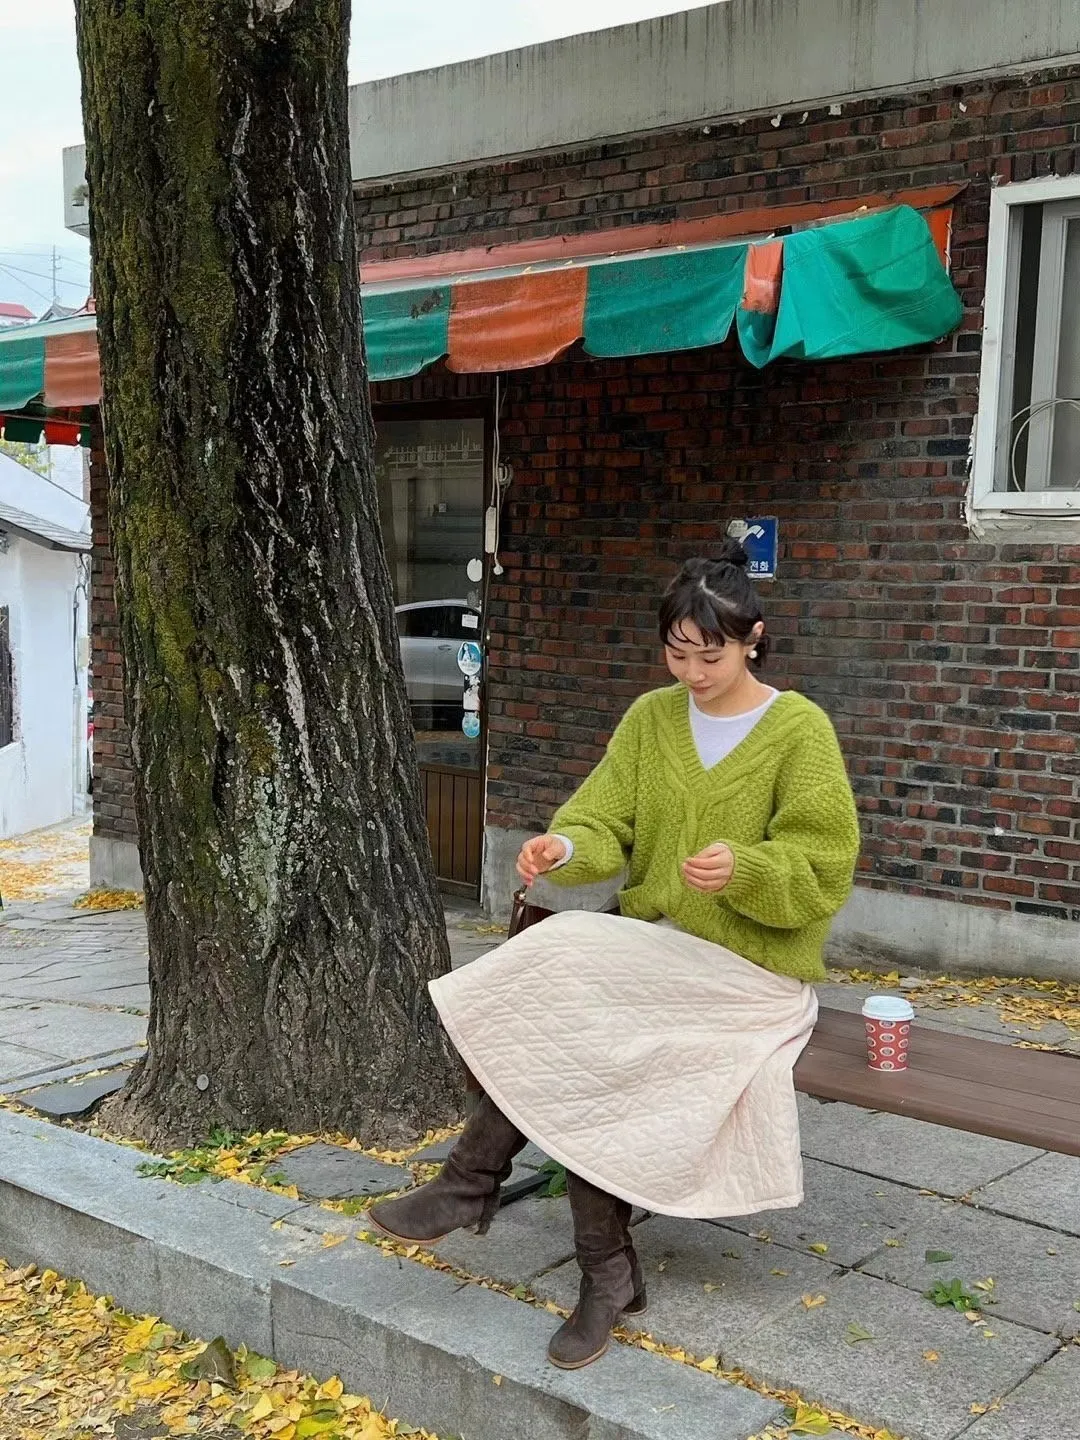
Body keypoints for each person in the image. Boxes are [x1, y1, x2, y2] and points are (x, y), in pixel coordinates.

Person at [370, 542, 861, 1370]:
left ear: (753, 640)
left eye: (710, 655)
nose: (693, 673)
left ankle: (475, 1183)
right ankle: (601, 1267)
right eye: (677, 653)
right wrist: (563, 848)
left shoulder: (798, 730)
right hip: (656, 956)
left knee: (567, 964)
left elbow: (826, 865)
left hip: (747, 976)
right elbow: (602, 821)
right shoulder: (651, 720)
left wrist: (748, 869)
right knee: (587, 1037)